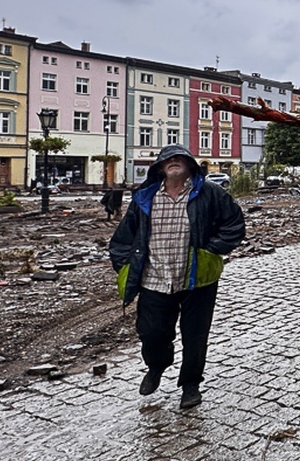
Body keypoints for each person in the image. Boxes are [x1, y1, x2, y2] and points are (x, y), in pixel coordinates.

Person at [109, 144, 244, 409]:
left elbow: (235, 224)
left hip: (196, 278)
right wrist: (124, 263)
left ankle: (190, 385)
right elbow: (125, 236)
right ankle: (157, 366)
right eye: (167, 159)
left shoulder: (210, 193)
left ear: (190, 165)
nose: (173, 162)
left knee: (195, 334)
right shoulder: (144, 197)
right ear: (159, 167)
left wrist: (211, 249)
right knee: (151, 332)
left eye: (179, 158)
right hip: (154, 277)